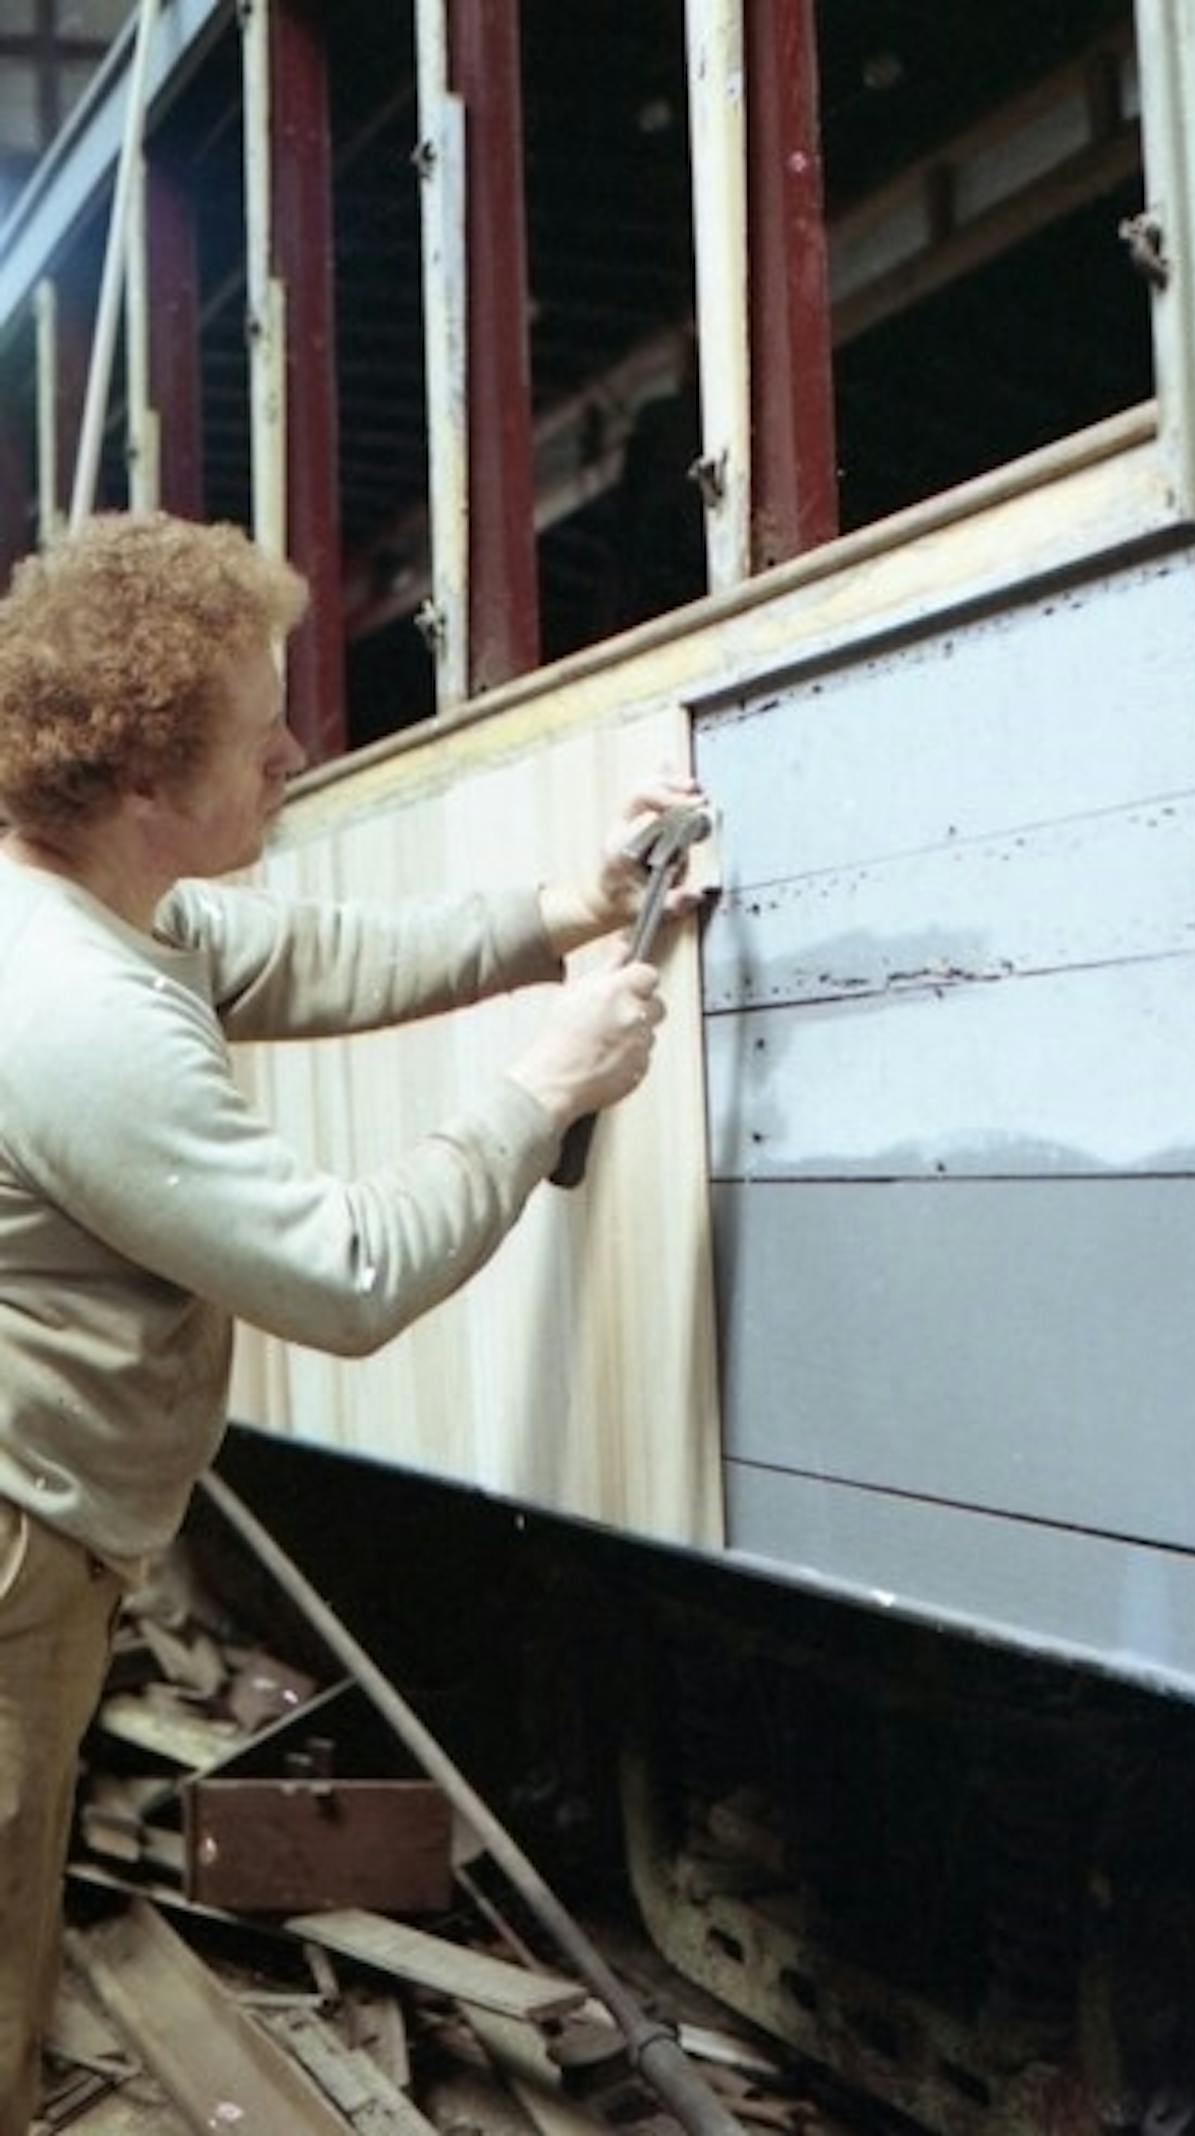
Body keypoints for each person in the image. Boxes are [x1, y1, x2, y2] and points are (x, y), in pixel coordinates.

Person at [0, 510, 703, 2134]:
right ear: (145, 784)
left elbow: (316, 950)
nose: (297, 754)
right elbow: (348, 1274)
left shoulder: (107, 905)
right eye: (261, 741)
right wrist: (552, 1084)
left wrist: (567, 905)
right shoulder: (74, 1015)